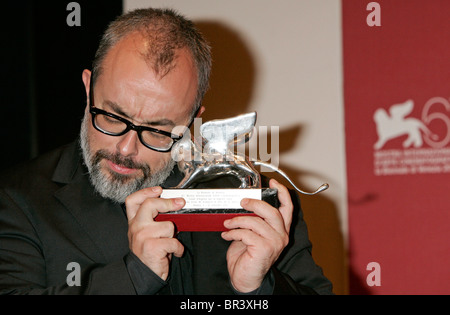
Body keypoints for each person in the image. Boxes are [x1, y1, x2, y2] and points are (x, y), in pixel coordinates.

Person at [0, 8, 333, 295]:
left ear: (192, 121)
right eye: (113, 117)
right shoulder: (18, 201)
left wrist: (259, 287)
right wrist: (133, 278)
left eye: (158, 131)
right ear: (88, 88)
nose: (126, 149)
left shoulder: (252, 202)